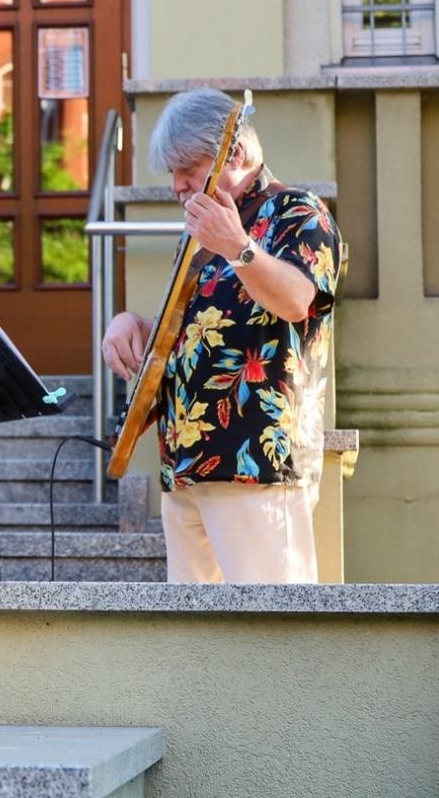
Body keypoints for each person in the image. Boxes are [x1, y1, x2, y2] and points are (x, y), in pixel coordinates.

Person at [100, 88, 342, 584]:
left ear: (235, 152)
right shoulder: (202, 233)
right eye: (172, 172)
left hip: (257, 459)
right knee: (195, 630)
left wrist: (238, 248)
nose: (177, 185)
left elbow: (298, 299)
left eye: (187, 168)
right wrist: (132, 323)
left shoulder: (299, 211)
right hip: (186, 463)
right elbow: (193, 327)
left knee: (269, 624)